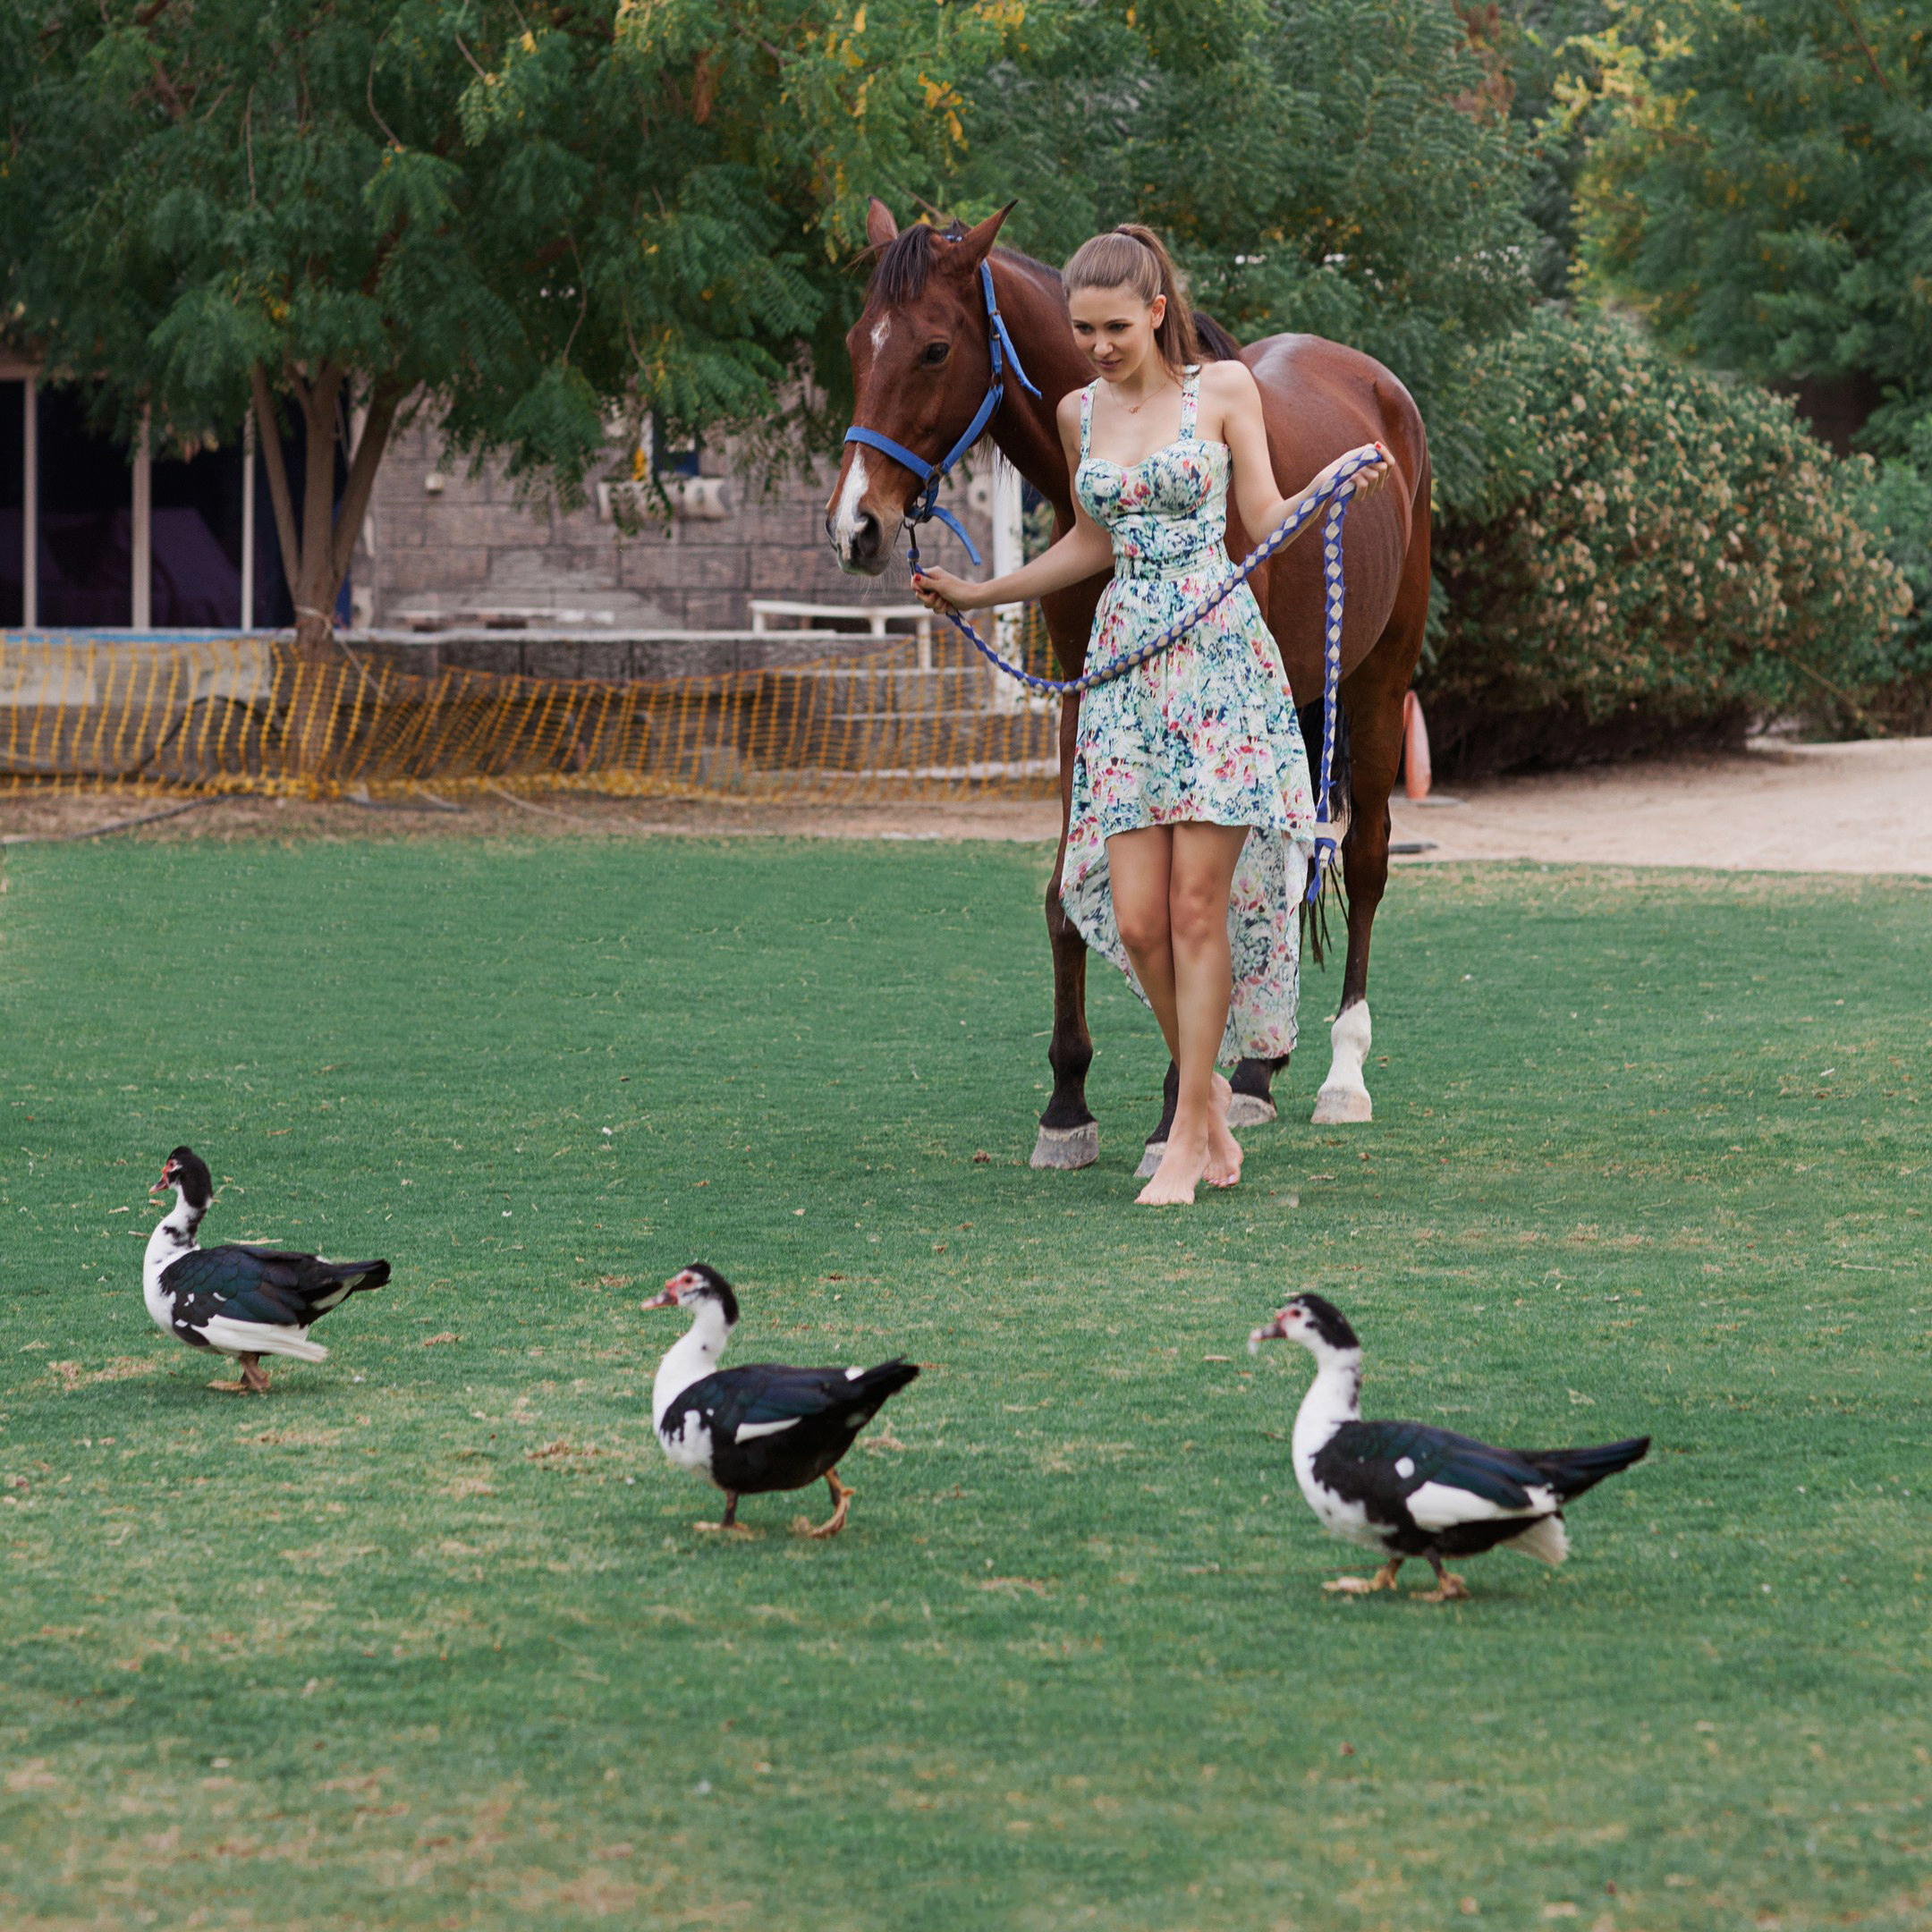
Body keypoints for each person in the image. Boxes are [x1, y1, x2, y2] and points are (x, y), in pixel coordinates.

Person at [912, 225, 1391, 1205]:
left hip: (1218, 661)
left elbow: (1263, 518)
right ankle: (1212, 1105)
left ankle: (1185, 1136)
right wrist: (980, 592)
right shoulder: (1079, 413)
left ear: (1159, 312)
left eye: (1116, 326)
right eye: (1084, 328)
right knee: (1134, 924)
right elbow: (1091, 542)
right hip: (1125, 675)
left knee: (1194, 908)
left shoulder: (1220, 392)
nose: (1096, 345)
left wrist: (1330, 491)